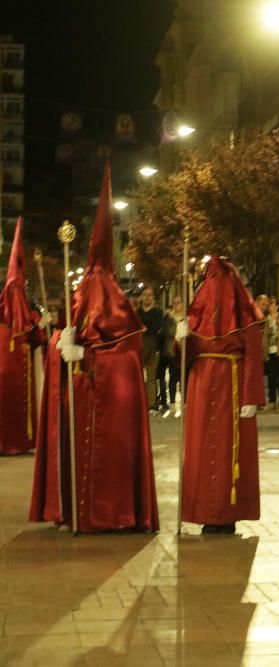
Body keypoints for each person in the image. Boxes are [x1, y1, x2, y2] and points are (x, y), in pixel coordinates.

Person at [30, 163, 159, 532]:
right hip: (80, 402)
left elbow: (120, 357)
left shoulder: (121, 315)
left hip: (104, 408)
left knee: (110, 454)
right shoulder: (80, 298)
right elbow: (68, 339)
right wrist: (60, 343)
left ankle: (110, 512)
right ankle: (72, 509)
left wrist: (85, 355)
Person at [176, 256, 265, 534]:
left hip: (232, 382)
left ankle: (227, 512)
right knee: (201, 448)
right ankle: (203, 509)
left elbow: (253, 356)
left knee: (229, 447)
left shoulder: (245, 315)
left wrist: (251, 396)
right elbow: (185, 357)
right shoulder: (196, 312)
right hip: (202, 383)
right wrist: (180, 339)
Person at [0, 217, 48, 455]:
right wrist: (39, 327)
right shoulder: (14, 293)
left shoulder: (17, 296)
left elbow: (31, 331)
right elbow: (27, 330)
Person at [137, 286, 164, 412]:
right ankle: (139, 401)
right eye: (145, 294)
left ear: (153, 298)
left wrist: (145, 328)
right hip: (138, 348)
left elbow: (157, 327)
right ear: (142, 297)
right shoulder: (137, 312)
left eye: (149, 294)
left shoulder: (158, 312)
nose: (147, 297)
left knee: (152, 377)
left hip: (153, 348)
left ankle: (151, 403)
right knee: (138, 376)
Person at [156, 296, 181, 412]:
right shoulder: (166, 318)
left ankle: (171, 401)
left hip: (173, 351)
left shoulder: (179, 318)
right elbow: (163, 333)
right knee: (161, 377)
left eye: (178, 303)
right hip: (164, 351)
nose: (176, 305)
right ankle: (164, 400)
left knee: (173, 377)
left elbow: (173, 333)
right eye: (174, 303)